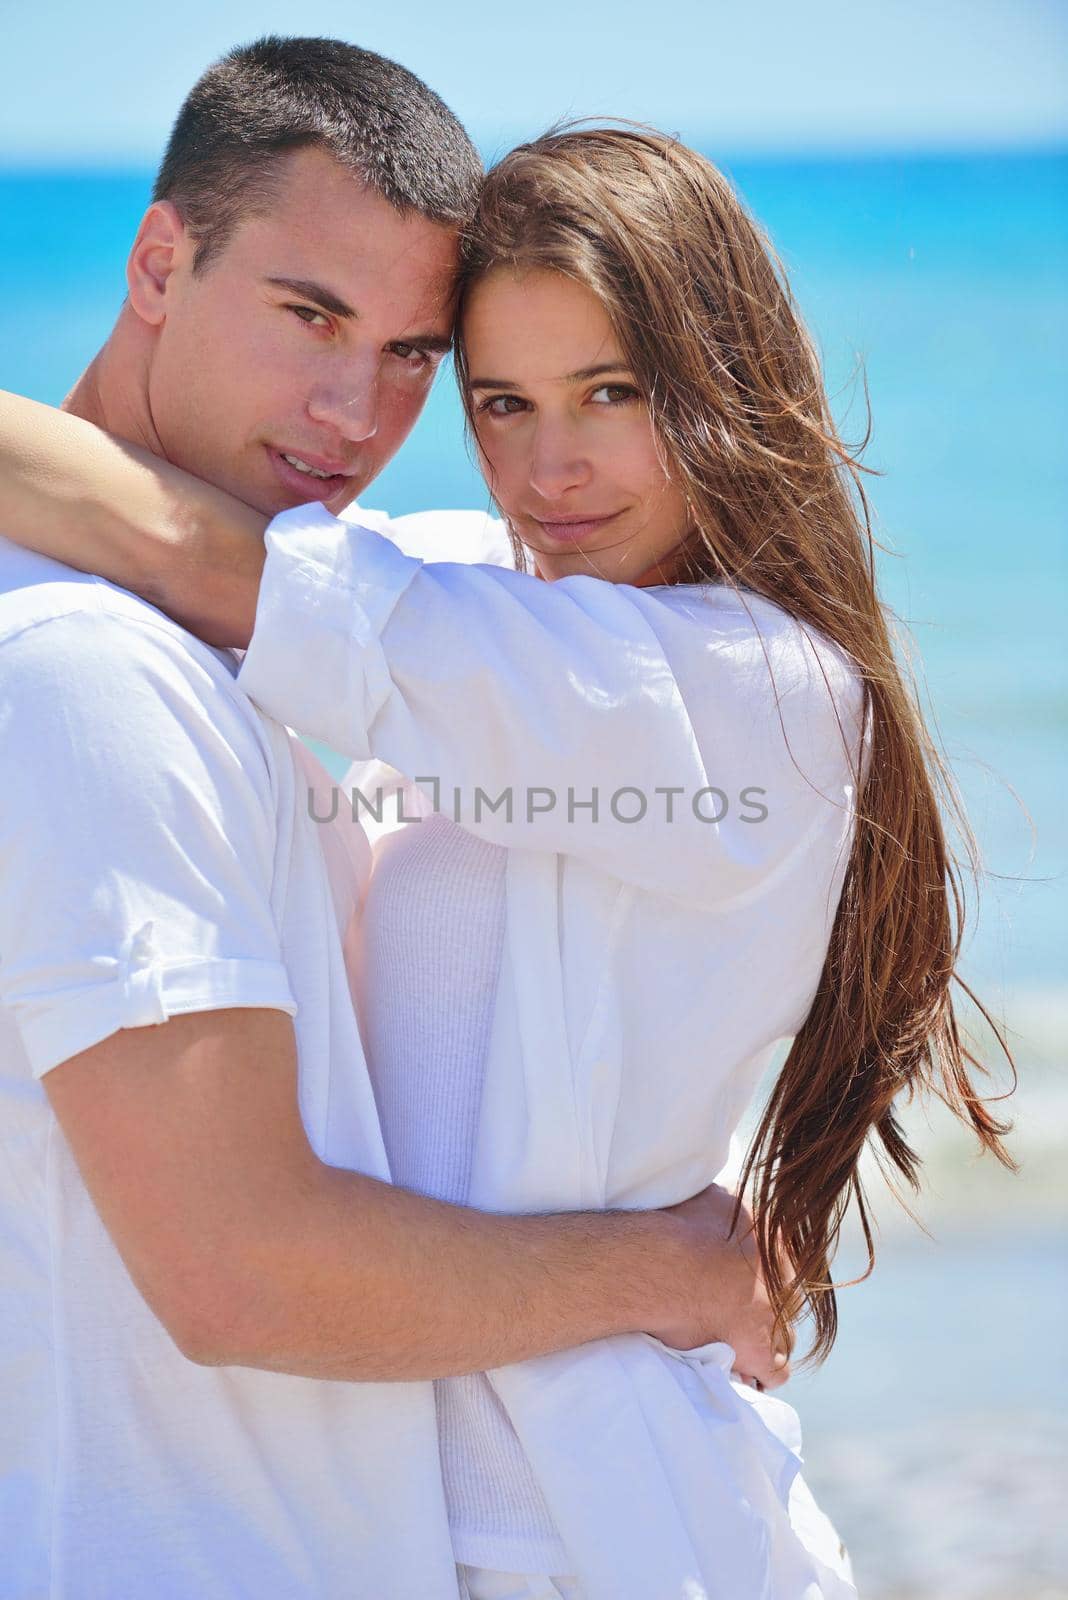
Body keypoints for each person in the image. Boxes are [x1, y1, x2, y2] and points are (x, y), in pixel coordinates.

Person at [0, 118, 1018, 1598]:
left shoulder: (759, 694)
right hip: (433, 1515)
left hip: (603, 1528)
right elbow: (296, 569)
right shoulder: (503, 611)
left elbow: (207, 555)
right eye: (499, 401)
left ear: (726, 386)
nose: (555, 468)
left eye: (613, 392)